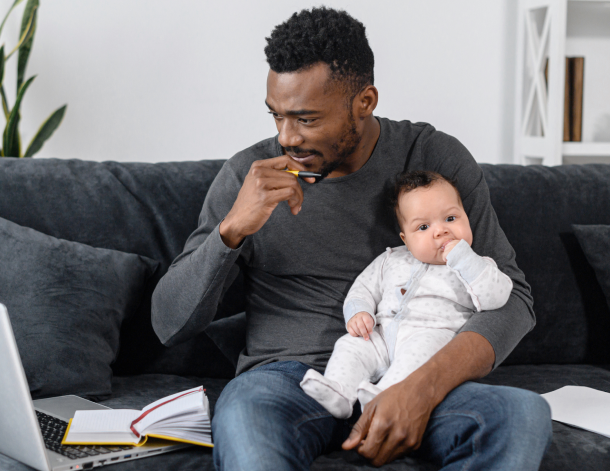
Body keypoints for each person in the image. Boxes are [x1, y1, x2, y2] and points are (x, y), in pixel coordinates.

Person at [152, 7, 552, 471]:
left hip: (415, 366)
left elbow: (514, 299)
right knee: (244, 417)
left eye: (305, 119)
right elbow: (168, 324)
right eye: (276, 116)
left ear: (364, 102)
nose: (286, 137)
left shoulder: (431, 157)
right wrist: (232, 230)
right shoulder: (250, 176)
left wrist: (421, 388)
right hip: (289, 380)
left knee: (520, 414)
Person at [300, 170, 514, 419]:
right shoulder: (391, 259)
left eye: (451, 218)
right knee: (350, 345)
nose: (441, 231)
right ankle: (339, 391)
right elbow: (363, 288)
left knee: (418, 356)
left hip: (431, 336)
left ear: (467, 218)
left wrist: (463, 258)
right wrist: (359, 312)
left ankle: (384, 398)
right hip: (380, 335)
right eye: (423, 226)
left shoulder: (477, 265)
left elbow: (496, 297)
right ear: (406, 239)